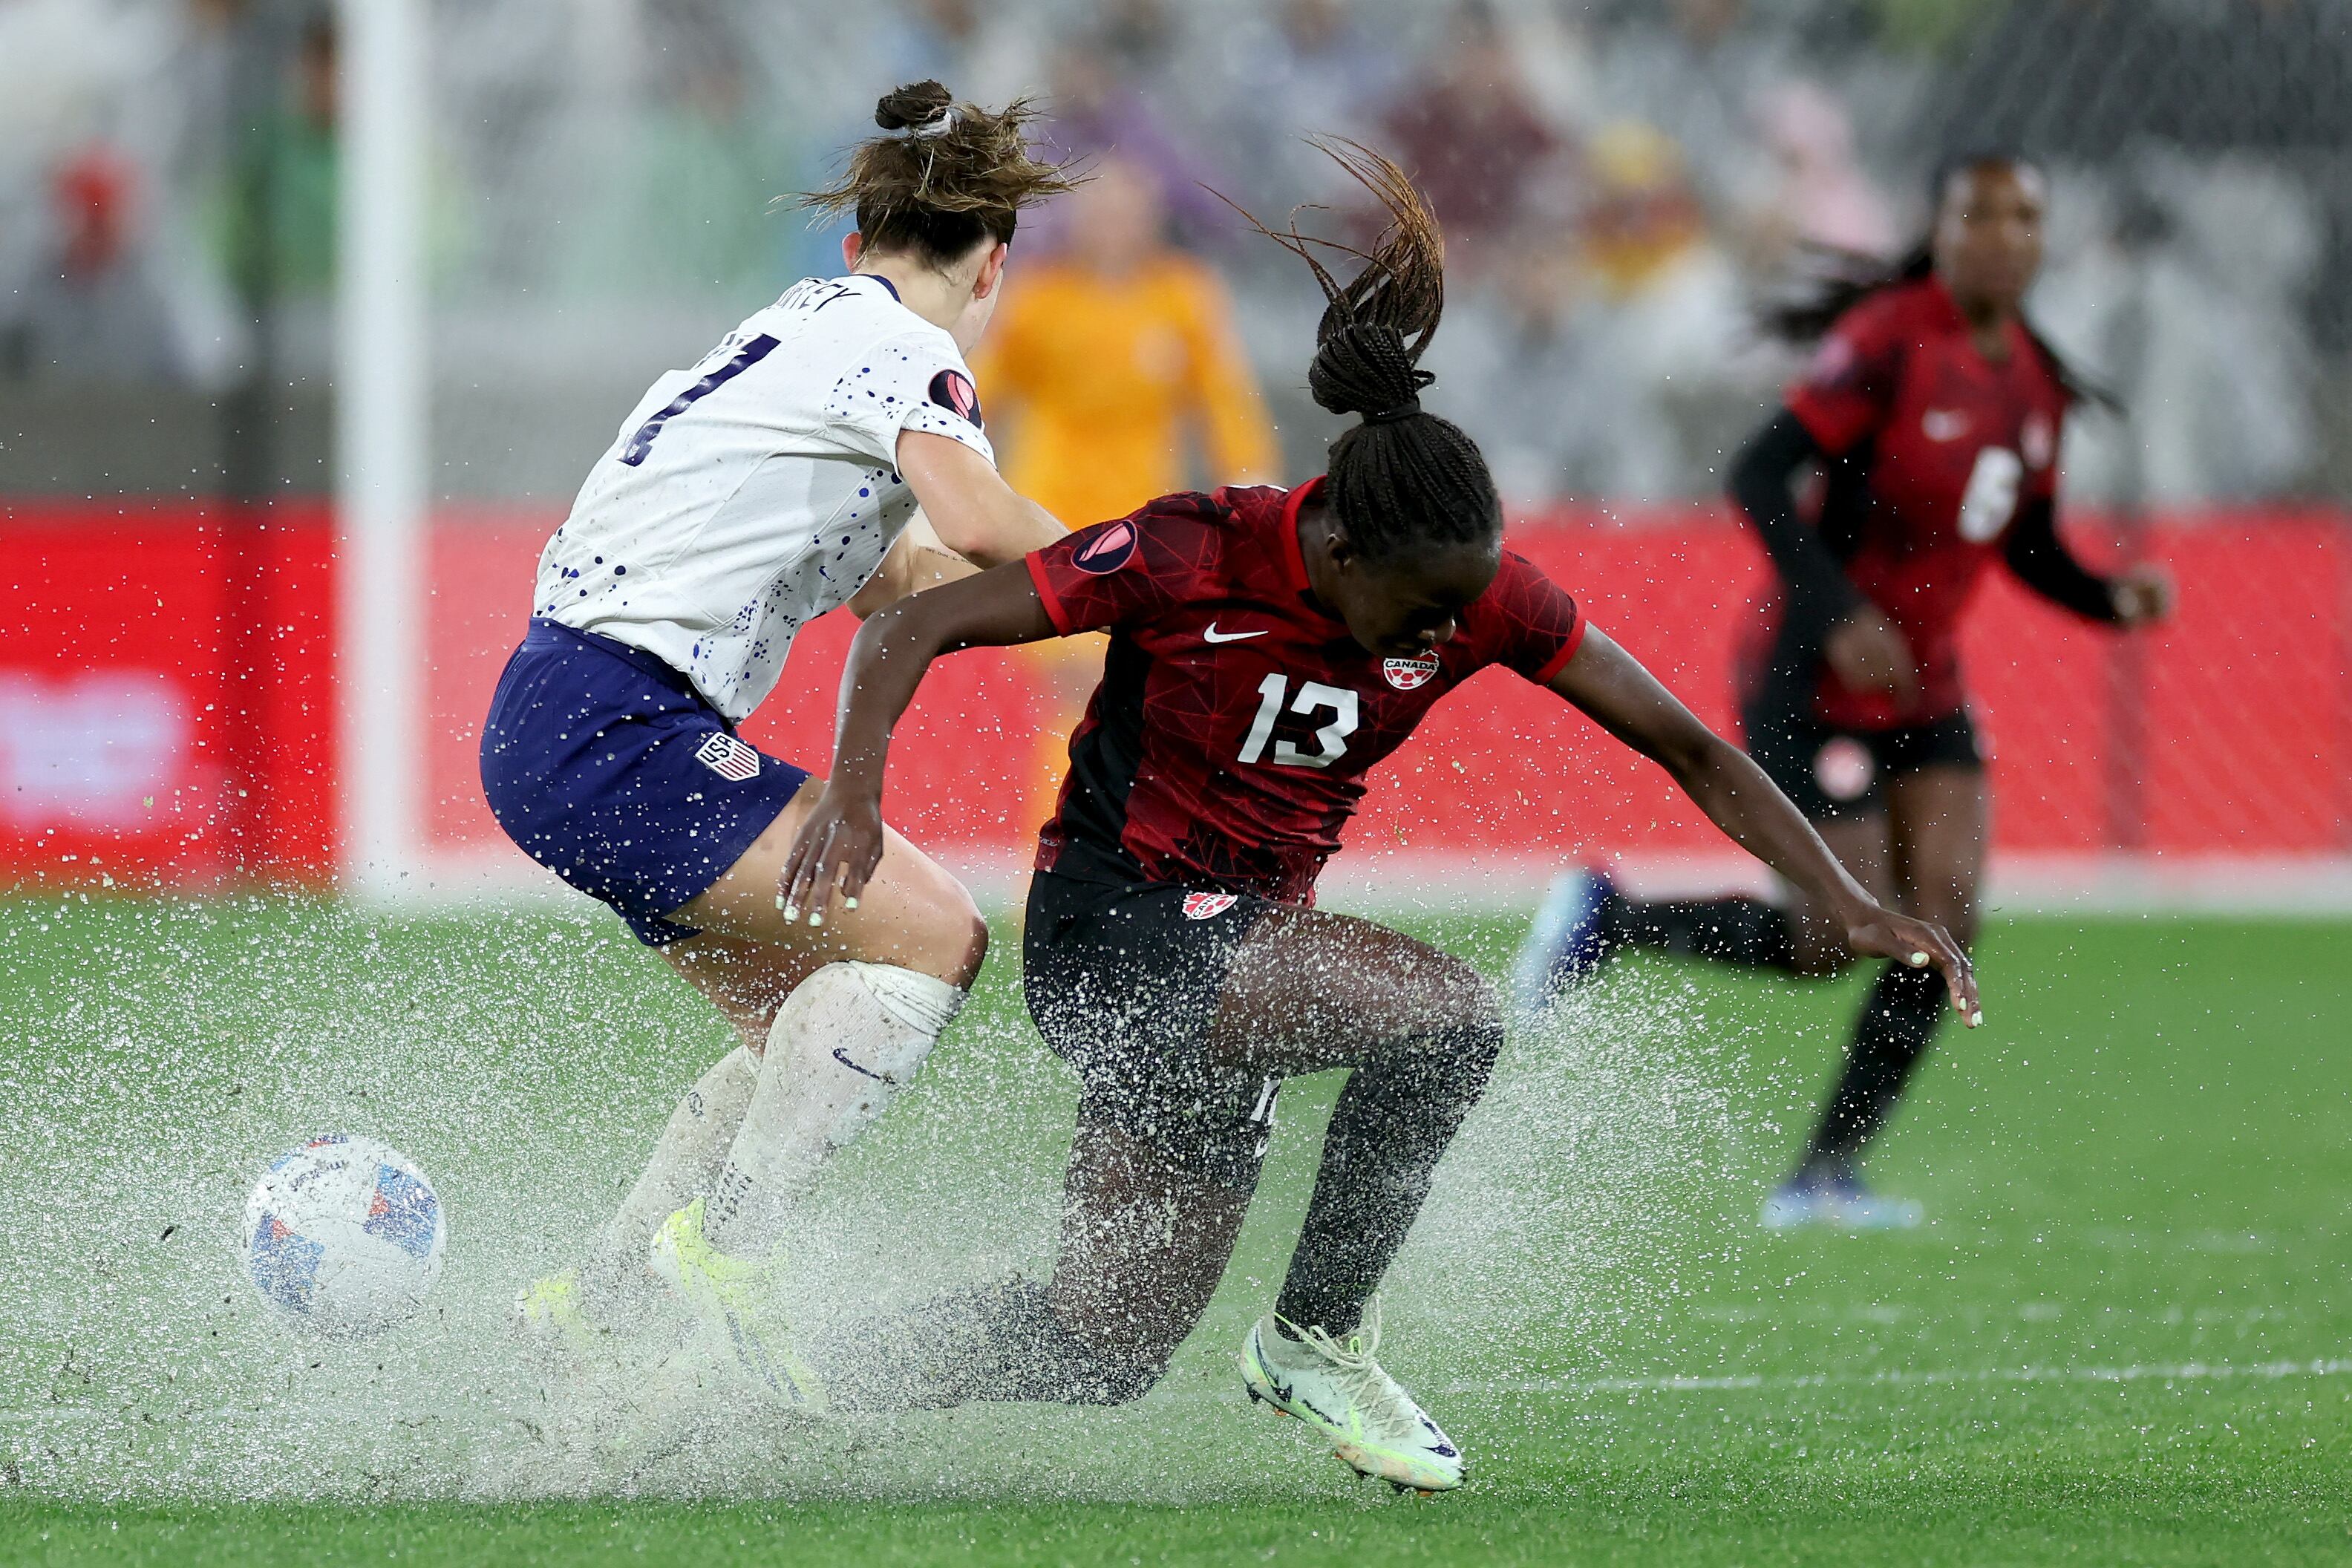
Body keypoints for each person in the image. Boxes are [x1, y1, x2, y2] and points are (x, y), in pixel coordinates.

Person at [761, 143, 1977, 1491]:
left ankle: (779, 1377)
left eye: (1466, 611)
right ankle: (1319, 1340)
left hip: (1239, 964)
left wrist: (1847, 898)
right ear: (1336, 548)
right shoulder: (1190, 552)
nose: (1451, 637)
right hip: (1116, 941)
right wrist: (858, 795)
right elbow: (913, 628)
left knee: (1097, 1345)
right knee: (1450, 1020)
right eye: (1424, 614)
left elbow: (1688, 746)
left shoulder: (1468, 587)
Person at [478, 82, 1076, 1383]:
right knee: (939, 936)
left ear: (854, 243)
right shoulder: (906, 353)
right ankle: (731, 1251)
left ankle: (599, 1302)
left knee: (809, 1021)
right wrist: (1164, 575)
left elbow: (912, 580)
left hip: (555, 718)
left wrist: (1087, 620)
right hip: (614, 719)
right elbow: (976, 523)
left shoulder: (794, 336)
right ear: (994, 271)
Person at [1518, 154, 2170, 1231]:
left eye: (2024, 216)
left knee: (1946, 916)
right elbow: (1757, 476)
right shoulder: (1888, 342)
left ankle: (1822, 1177)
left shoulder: (2033, 381)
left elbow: (2032, 543)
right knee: (1830, 934)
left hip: (1925, 689)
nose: (2004, 234)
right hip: (1813, 678)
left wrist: (2110, 598)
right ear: (1943, 229)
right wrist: (1841, 613)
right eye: (1981, 214)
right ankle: (1611, 919)